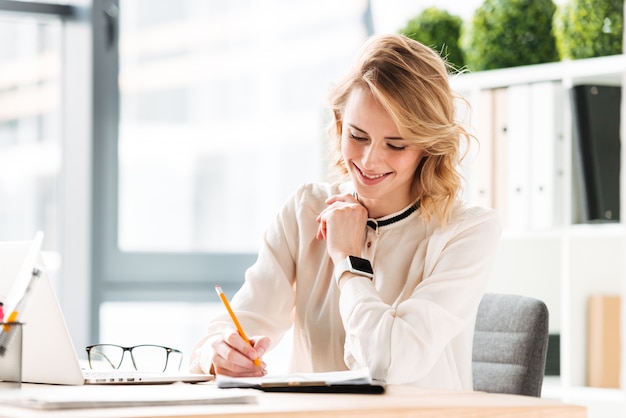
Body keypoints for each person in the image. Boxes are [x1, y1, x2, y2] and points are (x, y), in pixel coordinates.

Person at [189, 33, 501, 390]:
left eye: (395, 144)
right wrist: (218, 353)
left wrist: (349, 261)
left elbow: (389, 363)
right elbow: (239, 324)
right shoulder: (306, 209)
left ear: (427, 148)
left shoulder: (467, 231)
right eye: (358, 136)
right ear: (339, 124)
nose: (370, 160)